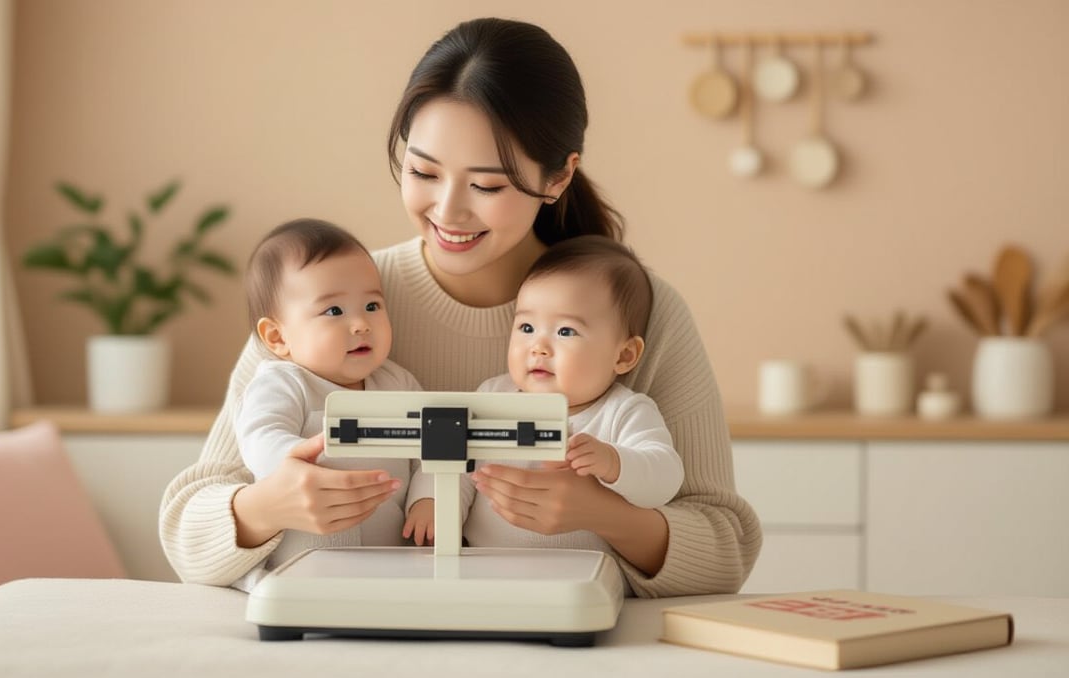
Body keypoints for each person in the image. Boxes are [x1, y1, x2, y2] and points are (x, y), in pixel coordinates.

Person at [160, 17, 761, 598]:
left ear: (559, 177)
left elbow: (726, 546)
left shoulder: (637, 313)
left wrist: (606, 515)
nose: (447, 212)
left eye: (488, 185)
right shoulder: (330, 301)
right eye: (423, 171)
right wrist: (267, 506)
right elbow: (188, 529)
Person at [404, 236, 685, 546]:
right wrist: (431, 503)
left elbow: (665, 478)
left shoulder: (623, 412)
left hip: (581, 576)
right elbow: (454, 464)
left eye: (566, 331)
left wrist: (614, 462)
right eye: (526, 328)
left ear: (624, 355)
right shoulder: (493, 398)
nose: (538, 347)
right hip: (484, 570)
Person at [231, 218, 423, 588]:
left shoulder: (400, 385)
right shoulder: (284, 383)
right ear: (277, 336)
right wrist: (294, 459)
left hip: (390, 565)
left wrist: (425, 501)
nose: (360, 325)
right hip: (302, 561)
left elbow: (432, 452)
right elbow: (258, 434)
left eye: (372, 305)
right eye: (334, 311)